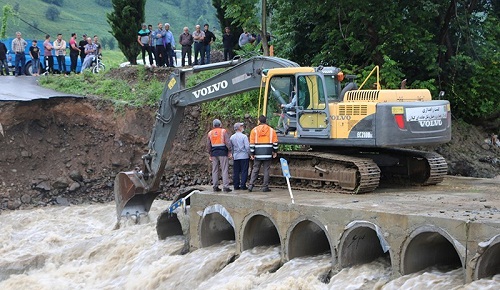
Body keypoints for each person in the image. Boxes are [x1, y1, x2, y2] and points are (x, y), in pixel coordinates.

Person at [248, 115, 278, 192]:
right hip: (268, 153)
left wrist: (252, 153)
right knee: (266, 170)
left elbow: (252, 144)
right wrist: (275, 152)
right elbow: (275, 143)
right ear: (266, 121)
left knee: (255, 169)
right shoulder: (272, 131)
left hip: (257, 153)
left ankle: (251, 186)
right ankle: (265, 187)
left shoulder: (254, 130)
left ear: (259, 121)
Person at [206, 119, 232, 192]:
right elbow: (227, 142)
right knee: (224, 169)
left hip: (214, 153)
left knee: (215, 170)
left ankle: (215, 186)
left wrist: (210, 153)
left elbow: (208, 145)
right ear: (220, 124)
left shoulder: (210, 133)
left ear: (213, 125)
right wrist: (230, 151)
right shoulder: (223, 131)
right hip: (223, 152)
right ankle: (226, 187)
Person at [230, 122, 250, 191]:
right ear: (239, 128)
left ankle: (236, 185)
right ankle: (243, 185)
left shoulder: (232, 137)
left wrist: (232, 155)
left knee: (236, 171)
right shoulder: (244, 136)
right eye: (241, 126)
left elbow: (231, 148)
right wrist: (249, 154)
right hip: (244, 156)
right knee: (244, 171)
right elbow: (247, 147)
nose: (242, 127)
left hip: (236, 156)